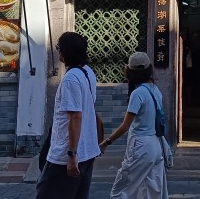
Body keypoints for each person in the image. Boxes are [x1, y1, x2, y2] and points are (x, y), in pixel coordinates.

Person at [37, 31, 104, 199]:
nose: (58, 51)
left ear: (65, 52)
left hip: (67, 154)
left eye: (59, 47)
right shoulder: (87, 72)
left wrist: (71, 154)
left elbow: (75, 116)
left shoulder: (71, 79)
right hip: (87, 151)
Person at [101, 52, 169, 199]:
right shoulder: (155, 90)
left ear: (130, 72)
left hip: (140, 146)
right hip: (156, 145)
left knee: (121, 190)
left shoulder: (138, 93)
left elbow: (125, 126)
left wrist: (106, 142)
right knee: (151, 192)